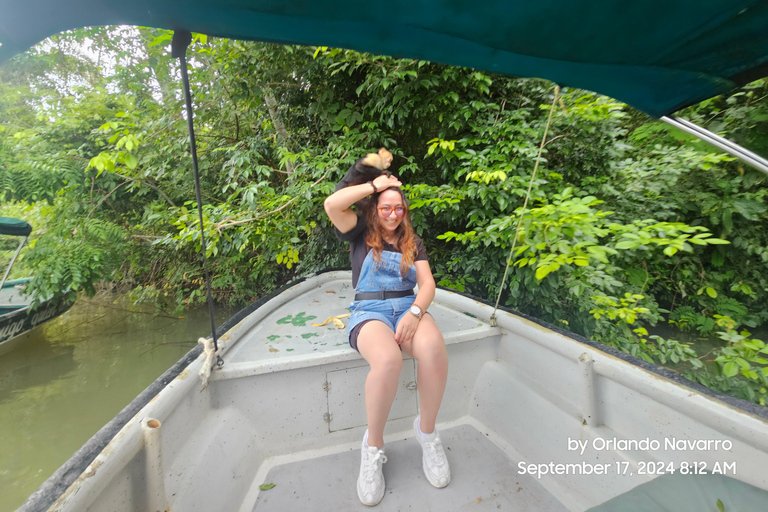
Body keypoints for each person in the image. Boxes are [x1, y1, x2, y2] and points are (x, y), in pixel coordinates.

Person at [324, 172, 450, 506]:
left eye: (398, 209)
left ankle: (427, 433)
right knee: (388, 361)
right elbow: (331, 203)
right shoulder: (359, 232)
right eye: (385, 208)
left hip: (407, 307)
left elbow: (427, 285)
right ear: (375, 209)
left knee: (434, 349)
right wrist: (375, 185)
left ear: (405, 211)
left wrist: (415, 314)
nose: (393, 215)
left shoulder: (414, 241)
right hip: (370, 309)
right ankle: (373, 447)